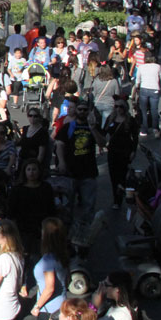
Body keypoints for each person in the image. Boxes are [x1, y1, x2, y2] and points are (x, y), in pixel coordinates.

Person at [54, 97, 106, 229]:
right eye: (80, 109)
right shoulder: (68, 127)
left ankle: (85, 232)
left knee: (88, 206)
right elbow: (59, 144)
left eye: (85, 110)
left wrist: (93, 128)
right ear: (76, 111)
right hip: (71, 172)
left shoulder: (93, 127)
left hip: (88, 172)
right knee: (67, 206)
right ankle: (68, 232)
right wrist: (61, 162)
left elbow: (102, 143)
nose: (82, 112)